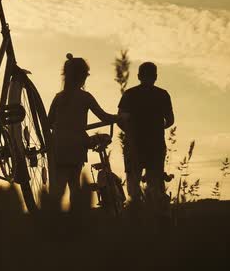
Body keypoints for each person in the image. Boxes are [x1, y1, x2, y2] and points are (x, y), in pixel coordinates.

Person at [48, 54, 119, 209]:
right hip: (76, 146)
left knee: (58, 187)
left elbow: (49, 122)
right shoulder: (85, 97)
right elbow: (104, 116)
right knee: (75, 185)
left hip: (58, 146)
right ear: (81, 77)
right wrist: (117, 118)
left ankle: (51, 220)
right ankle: (77, 220)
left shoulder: (58, 98)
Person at [117, 62, 174, 216]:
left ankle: (135, 218)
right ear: (155, 77)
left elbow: (120, 119)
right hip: (155, 146)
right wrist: (155, 128)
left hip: (133, 145)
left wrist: (130, 132)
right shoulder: (163, 94)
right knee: (155, 186)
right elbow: (170, 120)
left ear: (138, 76)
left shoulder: (129, 94)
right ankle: (156, 219)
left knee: (134, 186)